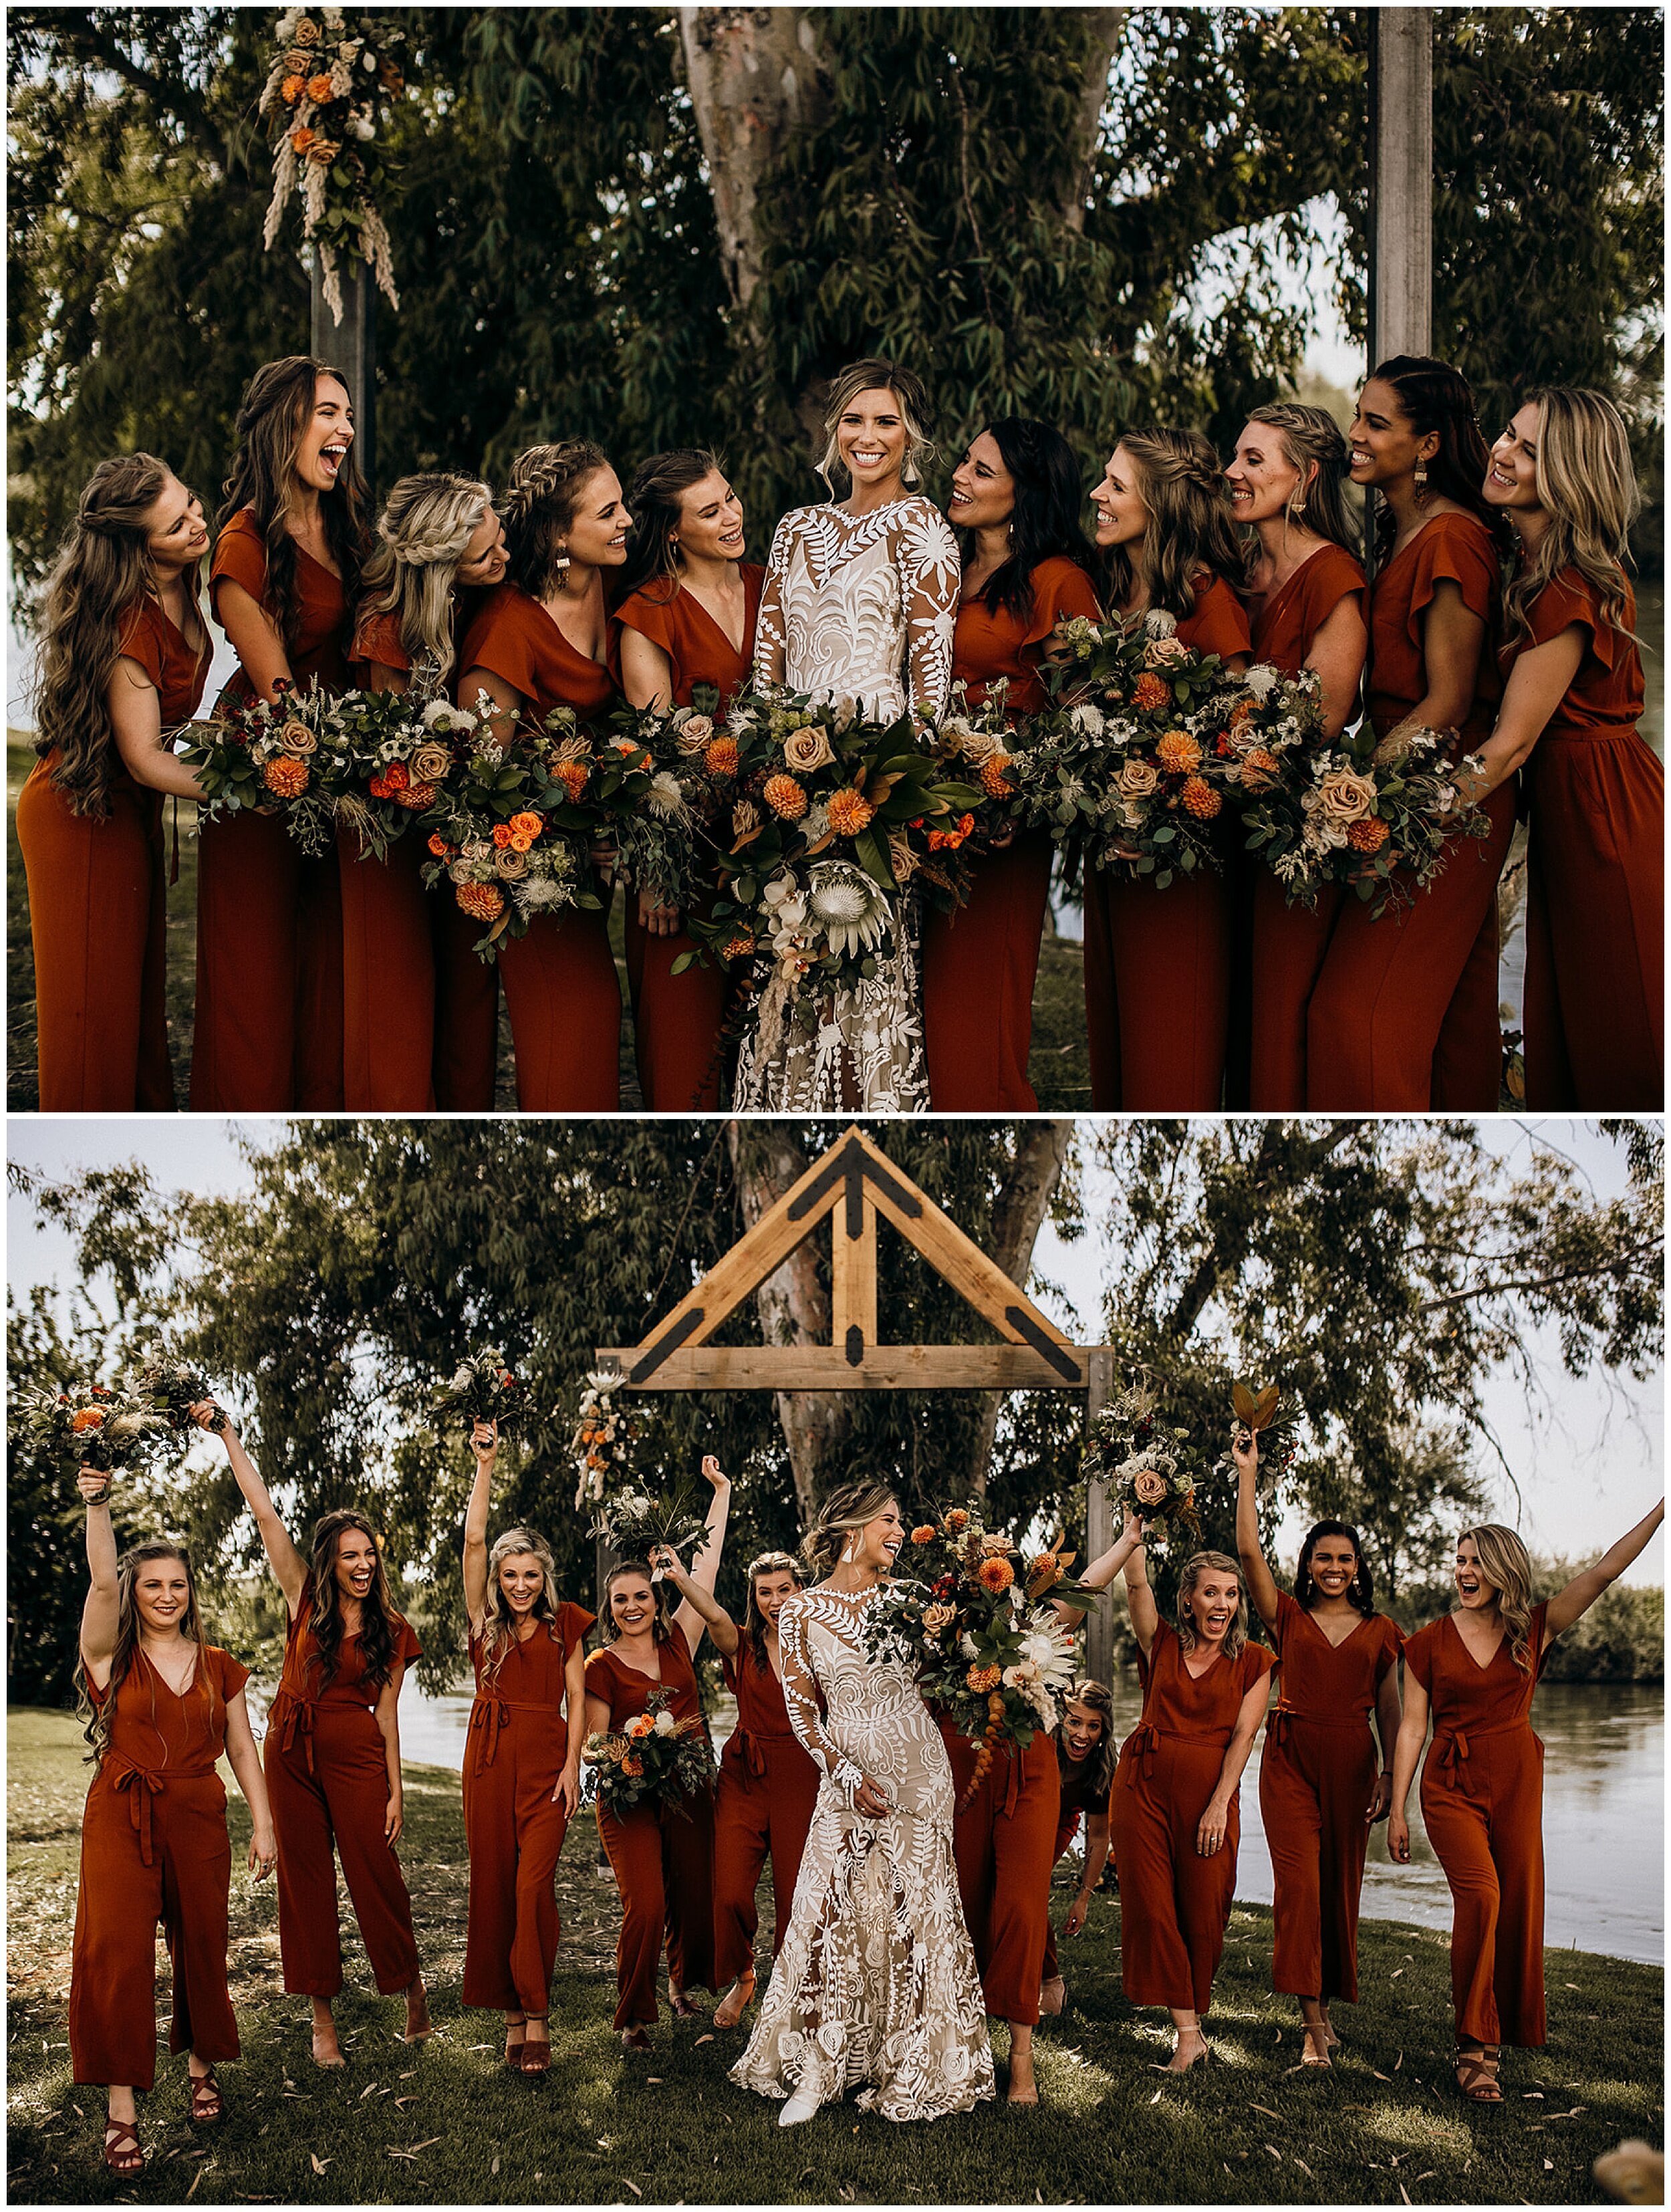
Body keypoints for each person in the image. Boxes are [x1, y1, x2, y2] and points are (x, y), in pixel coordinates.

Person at [731, 1482, 996, 2125]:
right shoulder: (799, 1612)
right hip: (846, 1774)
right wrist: (845, 1775)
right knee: (832, 1911)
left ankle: (913, 2060)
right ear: (852, 1526)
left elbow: (962, 1666)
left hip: (918, 1769)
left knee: (918, 1912)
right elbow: (802, 1712)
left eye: (900, 1520)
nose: (899, 1531)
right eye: (889, 1520)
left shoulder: (914, 1602)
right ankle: (818, 2068)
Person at [739, 358, 960, 1112]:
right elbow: (766, 667)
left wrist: (894, 793)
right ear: (833, 429)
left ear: (912, 436)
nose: (868, 436)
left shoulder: (924, 526)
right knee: (792, 953)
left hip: (874, 788)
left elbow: (930, 683)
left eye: (887, 421)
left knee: (866, 959)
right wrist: (766, 777)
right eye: (854, 420)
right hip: (786, 782)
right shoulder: (795, 526)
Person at [1388, 1504, 1664, 2102]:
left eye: (1474, 1561)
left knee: (1514, 1907)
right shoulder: (1428, 1642)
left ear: (1501, 1570)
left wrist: (1663, 1509)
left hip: (1516, 1779)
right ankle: (1471, 2045)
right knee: (1482, 1895)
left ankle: (1494, 2038)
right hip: (1450, 1782)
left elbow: (1605, 1570)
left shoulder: (1533, 1628)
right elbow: (1413, 1726)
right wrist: (1396, 1807)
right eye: (1458, 1561)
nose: (1462, 1571)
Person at [1305, 356, 1515, 1110]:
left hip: (1443, 797)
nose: (1352, 436)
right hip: (1411, 786)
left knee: (1351, 1018)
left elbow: (1450, 702)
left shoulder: (1451, 542)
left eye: (1375, 423)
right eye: (1357, 416)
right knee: (1457, 1018)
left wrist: (1356, 791)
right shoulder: (1402, 530)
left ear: (1427, 445)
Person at [192, 1404, 428, 2066]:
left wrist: (396, 1792)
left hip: (356, 1753)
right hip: (289, 1751)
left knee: (375, 1876)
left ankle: (411, 1989)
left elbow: (387, 1716)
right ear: (330, 1560)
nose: (362, 1563)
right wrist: (228, 1436)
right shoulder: (303, 1598)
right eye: (350, 1554)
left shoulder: (392, 1627)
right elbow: (266, 1514)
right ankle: (322, 2020)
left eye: (370, 1554)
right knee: (304, 1886)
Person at [69, 1469, 275, 2175]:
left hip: (198, 1813)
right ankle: (122, 2107)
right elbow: (100, 1584)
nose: (166, 1595)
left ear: (192, 1592)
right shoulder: (110, 1655)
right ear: (135, 1592)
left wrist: (266, 1822)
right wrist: (98, 1504)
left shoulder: (221, 1666)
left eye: (177, 1584)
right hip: (119, 1817)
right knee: (118, 1955)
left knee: (202, 1948)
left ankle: (201, 2067)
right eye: (152, 1584)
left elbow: (243, 1749)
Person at [1465, 386, 1661, 1107]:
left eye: (1528, 449)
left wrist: (1390, 818)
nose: (1501, 451)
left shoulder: (1569, 588)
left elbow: (1508, 748)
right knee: (1578, 1023)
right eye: (1507, 435)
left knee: (1626, 1026)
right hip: (1577, 816)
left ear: (1570, 475)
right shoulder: (1532, 567)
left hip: (1608, 820)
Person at [192, 355, 367, 1110]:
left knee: (330, 964)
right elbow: (280, 696)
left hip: (353, 766)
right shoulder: (241, 546)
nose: (346, 430)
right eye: (328, 413)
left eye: (348, 416)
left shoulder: (349, 525)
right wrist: (346, 764)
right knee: (256, 978)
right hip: (269, 771)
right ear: (283, 425)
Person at [19, 454, 211, 1110]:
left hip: (130, 812)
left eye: (191, 502)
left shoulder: (187, 582)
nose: (195, 523)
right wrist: (257, 786)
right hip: (79, 812)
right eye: (174, 525)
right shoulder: (130, 622)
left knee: (135, 1007)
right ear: (136, 549)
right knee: (88, 1018)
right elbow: (146, 759)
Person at [922, 419, 1102, 1109]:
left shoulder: (1059, 584)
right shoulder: (941, 566)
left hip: (999, 824)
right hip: (921, 808)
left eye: (981, 471)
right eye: (963, 462)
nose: (959, 477)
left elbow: (1078, 717)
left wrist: (1010, 796)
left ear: (1026, 493)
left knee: (978, 1000)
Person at [938, 1515, 1139, 2102]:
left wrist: (1127, 1542)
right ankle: (964, 2041)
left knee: (1023, 1909)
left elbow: (1089, 1588)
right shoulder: (946, 1627)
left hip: (1031, 1774)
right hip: (967, 1771)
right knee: (966, 1900)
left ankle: (1021, 2058)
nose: (991, 1580)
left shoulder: (1036, 1623)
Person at [455, 441, 630, 1109]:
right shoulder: (508, 628)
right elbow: (481, 781)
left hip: (594, 859)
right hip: (534, 864)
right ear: (560, 534)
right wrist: (569, 833)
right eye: (608, 513)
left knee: (599, 1014)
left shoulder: (616, 587)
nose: (626, 524)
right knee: (573, 1023)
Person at [1083, 426, 1253, 1110]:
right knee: (1115, 1061)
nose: (1098, 493)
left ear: (1161, 509)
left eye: (1117, 487)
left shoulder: (1207, 601)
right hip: (1113, 863)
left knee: (1166, 1065)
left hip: (1176, 870)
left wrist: (1159, 810)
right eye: (1104, 477)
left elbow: (1241, 743)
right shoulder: (1117, 591)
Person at [1233, 1429, 1402, 2064]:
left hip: (1355, 1764)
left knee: (1339, 1890)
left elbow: (1391, 1707)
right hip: (1291, 1759)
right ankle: (1311, 2025)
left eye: (1345, 1559)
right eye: (1323, 1558)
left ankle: (1325, 2008)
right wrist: (1249, 1473)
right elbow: (1249, 1551)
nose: (1334, 1568)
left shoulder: (1383, 1631)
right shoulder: (1287, 1617)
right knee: (1299, 1887)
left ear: (1358, 1566)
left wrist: (1392, 1775)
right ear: (1308, 1564)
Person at [344, 472, 510, 1110]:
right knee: (400, 984)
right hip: (390, 820)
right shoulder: (388, 626)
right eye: (485, 555)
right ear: (441, 569)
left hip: (464, 818)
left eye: (497, 539)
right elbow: (391, 753)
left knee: (472, 978)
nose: (503, 556)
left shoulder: (486, 595)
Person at [1224, 406, 1369, 1109]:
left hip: (1288, 830)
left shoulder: (1332, 576)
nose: (1233, 473)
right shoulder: (1237, 568)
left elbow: (1322, 718)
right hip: (1217, 823)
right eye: (1236, 458)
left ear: (1305, 476)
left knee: (1276, 1015)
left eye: (1254, 460)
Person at [616, 450, 763, 1110]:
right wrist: (657, 873)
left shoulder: (774, 589)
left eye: (729, 497)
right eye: (710, 511)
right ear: (673, 532)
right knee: (684, 1069)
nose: (732, 516)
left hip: (771, 858)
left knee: (765, 1058)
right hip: (686, 862)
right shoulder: (651, 610)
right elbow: (652, 758)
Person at [1106, 1521, 1275, 2070]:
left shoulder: (1254, 1660)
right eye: (1210, 1591)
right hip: (1144, 1786)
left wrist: (1220, 1803)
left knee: (1204, 1913)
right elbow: (1135, 1589)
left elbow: (1245, 1735)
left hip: (1209, 1792)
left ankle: (1190, 2023)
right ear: (1188, 1599)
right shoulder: (1164, 1643)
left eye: (1230, 1593)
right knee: (1153, 1908)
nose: (1222, 1602)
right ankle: (1188, 2034)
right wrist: (1133, 1531)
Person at [583, 1457, 732, 2048]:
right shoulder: (602, 1665)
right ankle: (634, 2014)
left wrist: (720, 1492)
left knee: (692, 1894)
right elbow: (595, 1745)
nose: (632, 1606)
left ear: (656, 1593)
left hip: (690, 1791)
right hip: (629, 1799)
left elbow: (710, 1563)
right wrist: (643, 1741)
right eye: (620, 1600)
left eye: (641, 1595)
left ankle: (680, 1981)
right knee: (645, 1902)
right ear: (609, 1607)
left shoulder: (681, 1639)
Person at [459, 1418, 594, 2073]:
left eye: (530, 1576)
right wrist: (485, 1466)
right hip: (486, 1766)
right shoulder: (483, 1625)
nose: (519, 1585)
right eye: (511, 1575)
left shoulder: (566, 1625)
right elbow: (475, 1539)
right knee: (494, 1888)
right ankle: (512, 2020)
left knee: (532, 1888)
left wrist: (574, 1770)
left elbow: (575, 1704)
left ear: (545, 1578)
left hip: (545, 1774)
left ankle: (537, 2016)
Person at [706, 1550, 820, 2032]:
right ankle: (745, 1973)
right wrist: (677, 1573)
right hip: (745, 1773)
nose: (776, 1599)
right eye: (765, 1591)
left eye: (785, 1588)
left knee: (797, 1896)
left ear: (801, 1590)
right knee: (729, 1891)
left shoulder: (822, 1646)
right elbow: (711, 1613)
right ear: (754, 1598)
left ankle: (787, 1992)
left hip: (803, 1773)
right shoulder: (743, 1644)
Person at [1037, 1678, 1118, 2017]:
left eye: (1093, 1726)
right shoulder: (1041, 1745)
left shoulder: (1100, 1771)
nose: (1082, 1735)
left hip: (1059, 1822)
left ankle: (1050, 1979)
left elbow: (1099, 1837)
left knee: (1030, 1889)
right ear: (1060, 1721)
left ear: (1104, 1731)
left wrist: (1083, 1897)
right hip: (1027, 1812)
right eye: (1074, 1722)